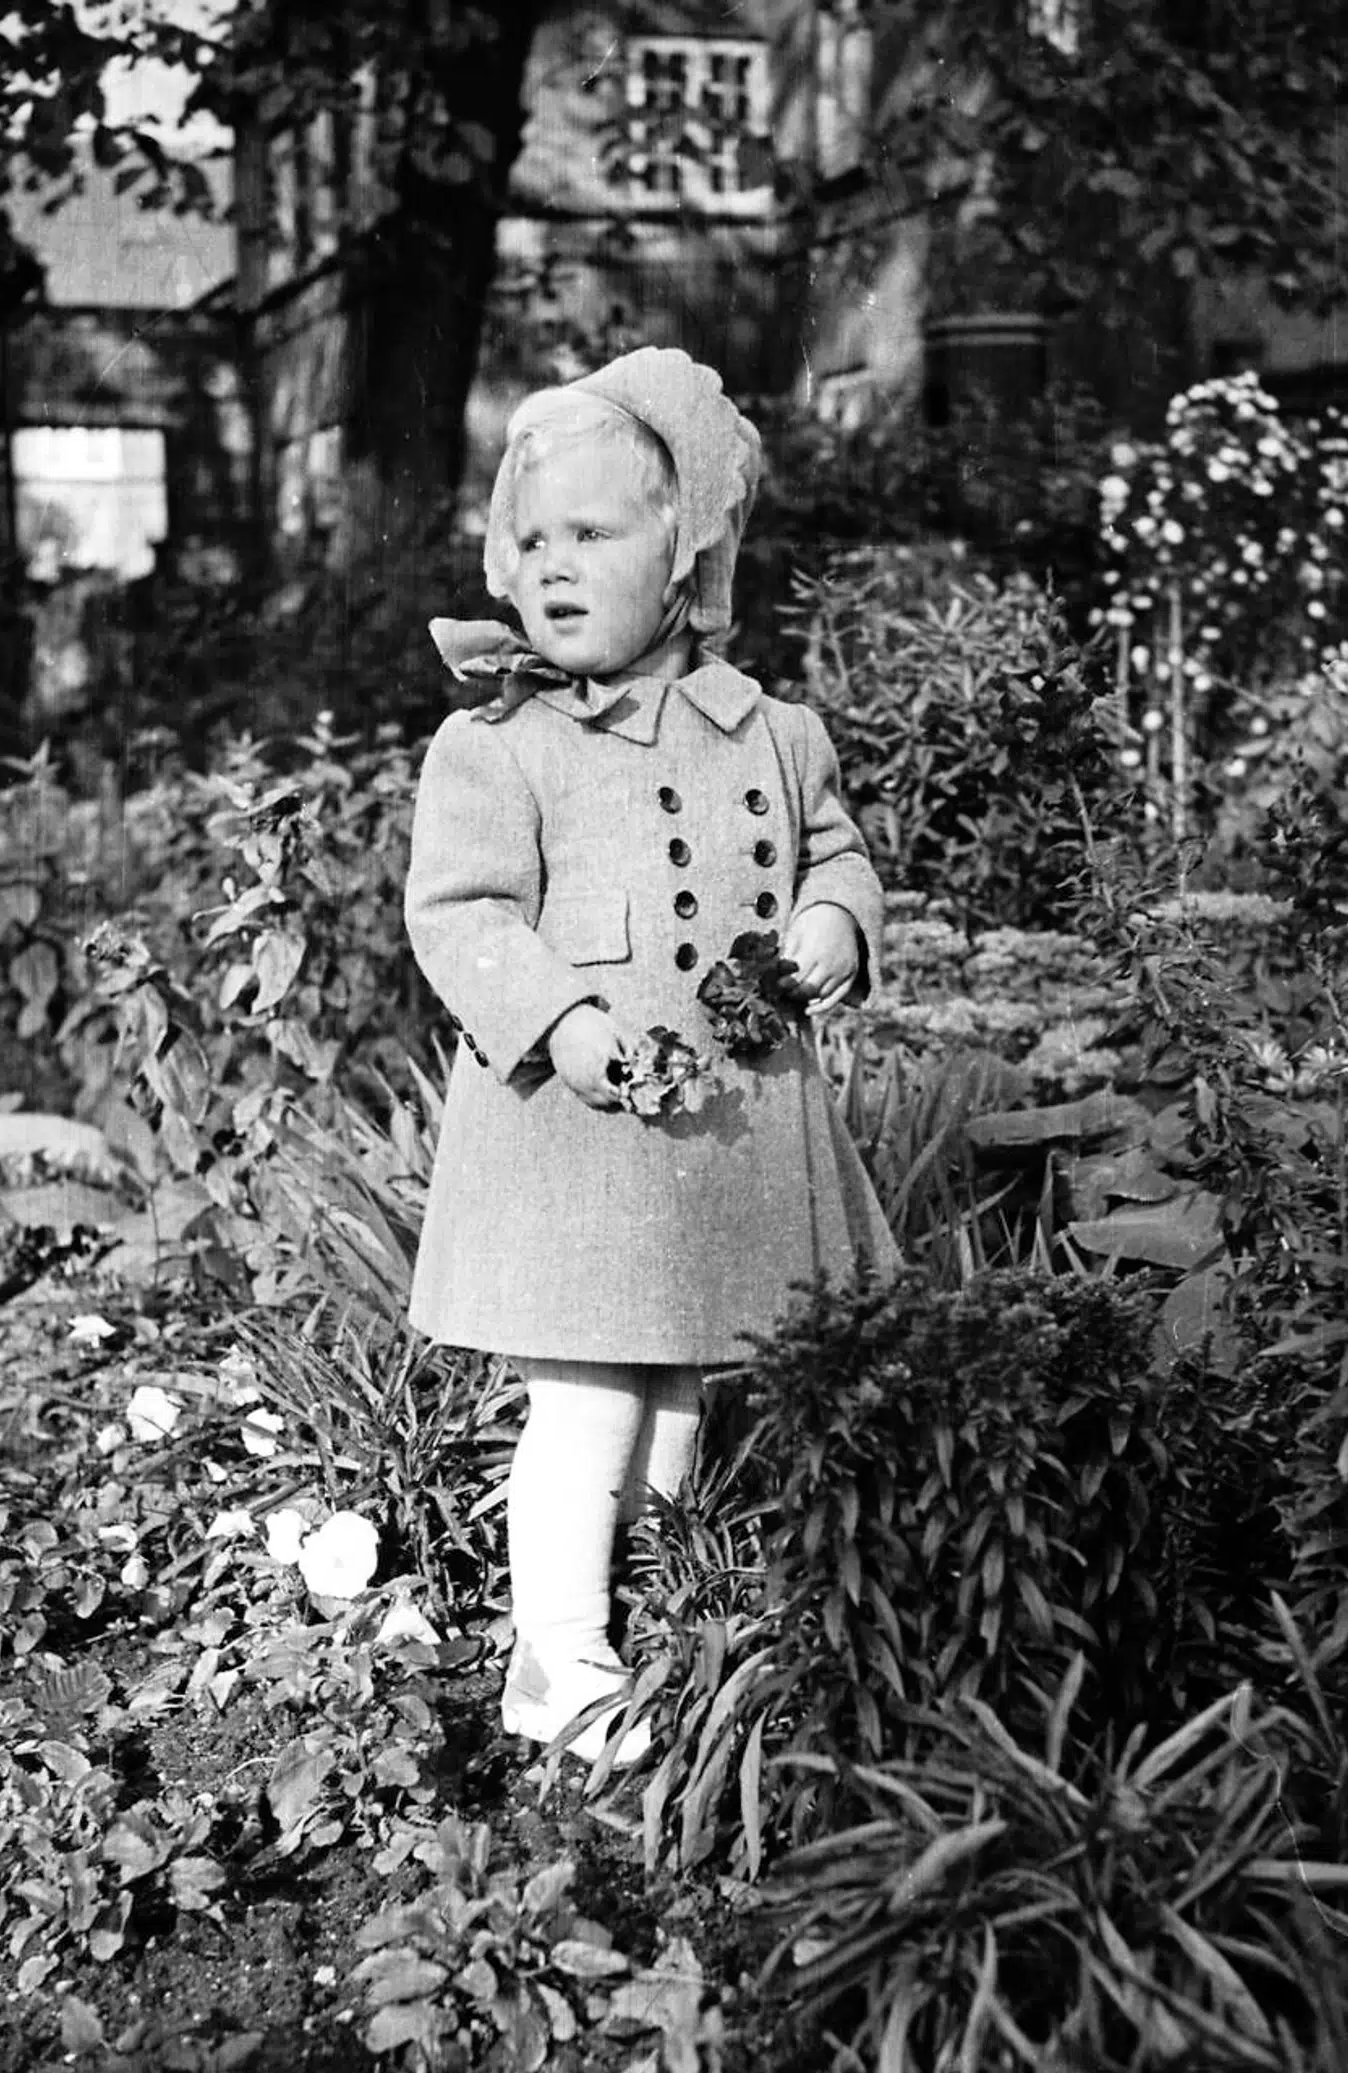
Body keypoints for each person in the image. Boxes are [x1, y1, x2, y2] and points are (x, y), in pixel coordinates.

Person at [404, 346, 898, 1765]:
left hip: (729, 1125)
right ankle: (554, 1659)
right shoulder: (500, 747)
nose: (555, 567)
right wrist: (561, 1018)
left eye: (596, 535)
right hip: (581, 1131)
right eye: (534, 539)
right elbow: (462, 912)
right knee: (589, 1392)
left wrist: (830, 923)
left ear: (685, 558)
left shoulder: (778, 731)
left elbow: (844, 859)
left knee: (685, 1378)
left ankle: (673, 1606)